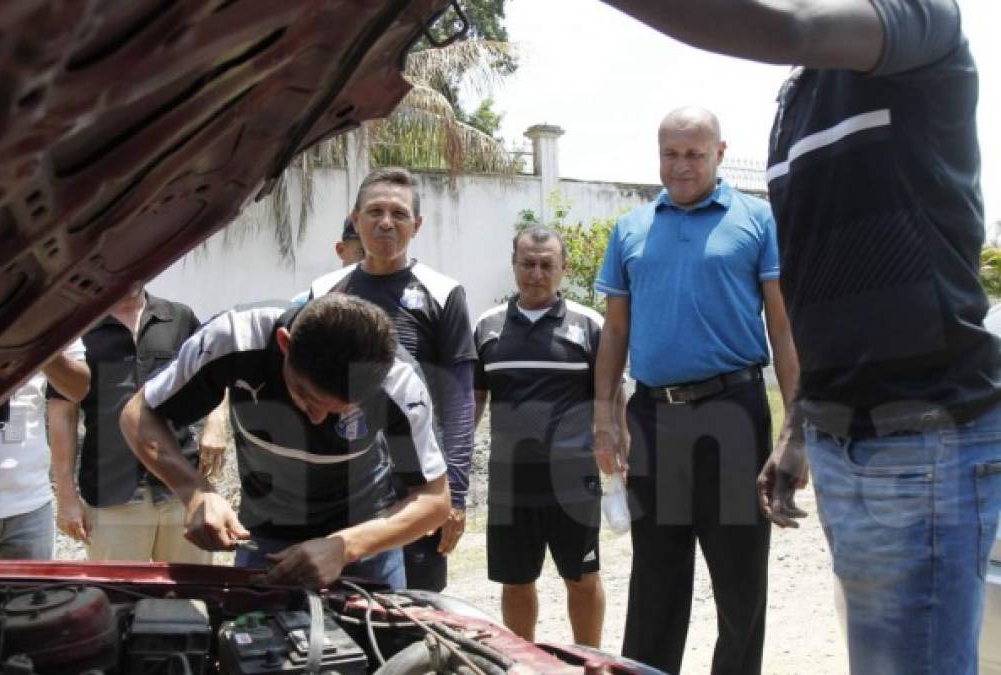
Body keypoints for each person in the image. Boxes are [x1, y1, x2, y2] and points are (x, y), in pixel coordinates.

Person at [599, 2, 1001, 674]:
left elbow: (787, 27)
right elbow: (816, 291)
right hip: (844, 434)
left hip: (923, 429)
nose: (681, 162)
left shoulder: (920, 21)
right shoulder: (797, 96)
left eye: (694, 151)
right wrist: (799, 427)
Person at [594, 107, 798, 674]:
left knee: (739, 578)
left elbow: (782, 329)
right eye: (670, 153)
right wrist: (605, 419)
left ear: (720, 153)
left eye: (694, 153)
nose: (681, 166)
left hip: (734, 413)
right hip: (653, 418)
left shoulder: (757, 220)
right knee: (655, 576)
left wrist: (794, 428)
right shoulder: (632, 228)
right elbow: (615, 330)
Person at [119, 293, 450, 589]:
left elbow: (434, 501)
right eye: (307, 398)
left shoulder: (400, 381)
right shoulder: (234, 336)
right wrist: (194, 491)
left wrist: (344, 547)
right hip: (265, 538)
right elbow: (138, 414)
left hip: (364, 539)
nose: (318, 420)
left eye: (341, 412)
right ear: (284, 344)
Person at [305, 168, 476, 592]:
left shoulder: (443, 293)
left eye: (399, 214)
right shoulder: (325, 291)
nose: (386, 222)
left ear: (416, 225)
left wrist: (453, 492)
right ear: (356, 218)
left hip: (414, 485)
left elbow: (458, 401)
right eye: (375, 211)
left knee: (412, 615)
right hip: (339, 484)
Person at [474, 227, 612, 647]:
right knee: (516, 582)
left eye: (547, 264)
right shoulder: (487, 327)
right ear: (513, 265)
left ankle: (589, 662)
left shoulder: (589, 325)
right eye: (527, 264)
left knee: (582, 578)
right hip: (510, 484)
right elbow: (474, 400)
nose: (536, 273)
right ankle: (521, 663)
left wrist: (618, 447)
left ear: (563, 268)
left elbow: (612, 396)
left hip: (573, 482)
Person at [48, 287, 216, 563]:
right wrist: (66, 496)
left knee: (189, 596)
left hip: (181, 488)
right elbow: (62, 410)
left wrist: (217, 422)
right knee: (118, 598)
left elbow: (214, 368)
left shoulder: (178, 317)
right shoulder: (78, 327)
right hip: (112, 492)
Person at [0, 348, 90, 559]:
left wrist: (38, 344)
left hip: (31, 504)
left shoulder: (40, 317)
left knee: (32, 592)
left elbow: (78, 387)